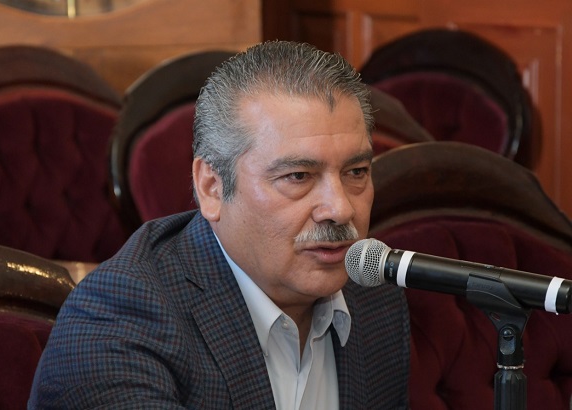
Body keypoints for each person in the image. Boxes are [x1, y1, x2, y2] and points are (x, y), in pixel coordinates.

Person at [28, 40, 410, 409]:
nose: (340, 209)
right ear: (212, 187)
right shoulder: (122, 316)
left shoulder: (374, 298)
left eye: (356, 172)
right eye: (298, 176)